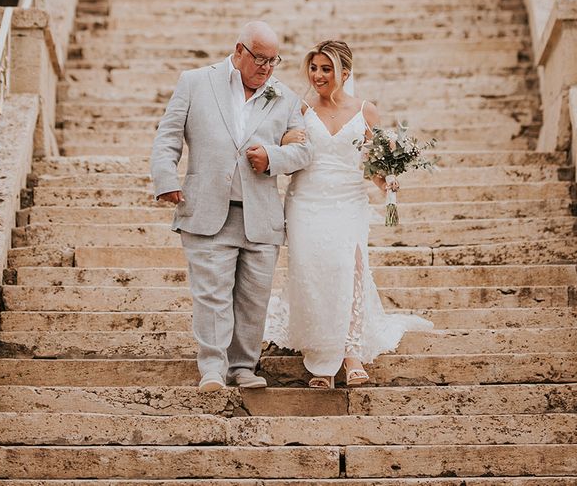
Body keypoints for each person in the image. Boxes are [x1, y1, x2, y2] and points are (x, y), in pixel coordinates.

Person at [151, 21, 313, 392]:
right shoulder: (195, 82)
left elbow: (304, 150)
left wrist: (271, 156)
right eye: (260, 59)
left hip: (260, 215)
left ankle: (243, 366)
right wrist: (165, 180)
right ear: (239, 51)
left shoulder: (284, 97)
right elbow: (168, 135)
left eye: (274, 61)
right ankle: (212, 368)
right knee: (212, 295)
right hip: (207, 209)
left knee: (254, 298)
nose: (267, 68)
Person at [266, 40, 433, 388]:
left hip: (349, 201)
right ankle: (320, 359)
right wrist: (284, 141)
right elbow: (284, 149)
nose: (318, 75)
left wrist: (387, 182)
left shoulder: (366, 111)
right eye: (313, 68)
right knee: (311, 273)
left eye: (326, 69)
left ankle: (352, 352)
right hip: (306, 201)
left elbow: (372, 164)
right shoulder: (297, 109)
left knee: (352, 270)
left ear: (345, 73)